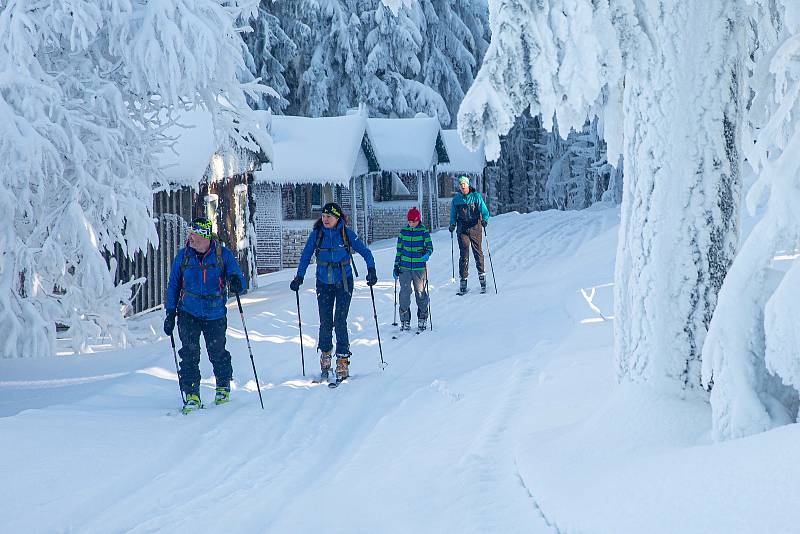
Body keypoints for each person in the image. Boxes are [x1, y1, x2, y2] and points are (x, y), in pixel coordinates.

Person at [163, 217, 247, 414]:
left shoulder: (222, 255)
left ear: (205, 236)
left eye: (195, 235)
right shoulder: (183, 257)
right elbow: (173, 285)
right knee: (189, 354)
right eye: (190, 234)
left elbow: (239, 279)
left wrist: (235, 281)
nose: (191, 238)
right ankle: (192, 394)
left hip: (215, 312)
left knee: (217, 352)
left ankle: (223, 386)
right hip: (188, 312)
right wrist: (170, 312)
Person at [290, 202, 377, 384]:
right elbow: (306, 255)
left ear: (337, 217)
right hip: (323, 283)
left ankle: (342, 360)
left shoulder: (346, 233)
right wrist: (299, 277)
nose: (325, 219)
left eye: (329, 216)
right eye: (323, 216)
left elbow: (365, 251)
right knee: (325, 322)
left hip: (344, 282)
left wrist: (371, 269)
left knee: (339, 321)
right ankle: (325, 355)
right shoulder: (317, 234)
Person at [393, 207, 433, 332]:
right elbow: (399, 250)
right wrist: (396, 266)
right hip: (404, 267)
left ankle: (422, 317)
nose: (411, 224)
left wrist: (426, 254)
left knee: (420, 293)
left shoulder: (423, 231)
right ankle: (404, 319)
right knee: (404, 293)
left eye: (413, 221)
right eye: (409, 221)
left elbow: (430, 247)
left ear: (418, 220)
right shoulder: (403, 232)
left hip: (418, 267)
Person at [449, 175, 491, 294]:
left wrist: (485, 220)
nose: (463, 187)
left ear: (468, 185)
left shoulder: (476, 197)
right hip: (462, 229)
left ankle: (482, 280)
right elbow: (453, 214)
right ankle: (463, 282)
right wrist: (452, 224)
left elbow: (484, 211)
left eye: (464, 185)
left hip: (475, 227)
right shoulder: (456, 199)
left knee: (478, 253)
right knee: (464, 255)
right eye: (461, 185)